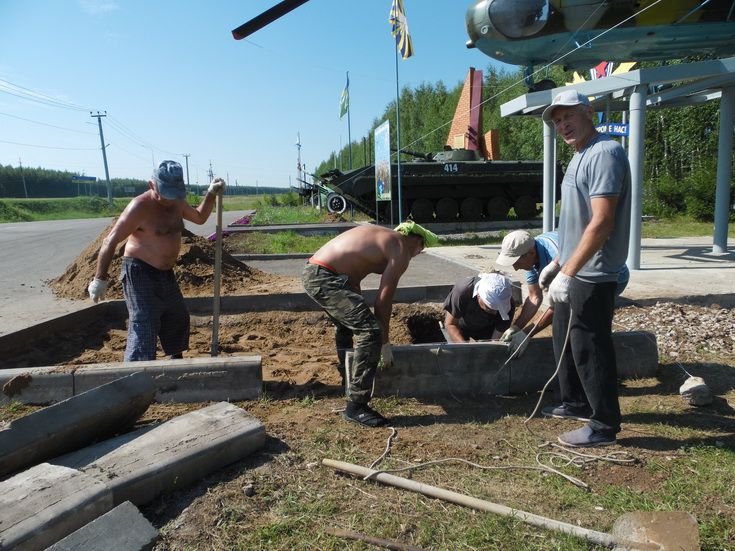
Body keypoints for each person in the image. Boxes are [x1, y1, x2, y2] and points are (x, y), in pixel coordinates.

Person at [539, 89, 632, 448]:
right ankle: (575, 401)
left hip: (594, 271)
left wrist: (569, 271)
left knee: (590, 345)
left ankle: (604, 425)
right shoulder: (579, 155)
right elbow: (575, 223)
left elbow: (601, 222)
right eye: (558, 119)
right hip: (575, 266)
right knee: (565, 337)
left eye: (569, 116)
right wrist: (559, 263)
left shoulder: (605, 153)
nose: (563, 124)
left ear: (588, 112)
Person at [302, 220, 438, 428]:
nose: (418, 253)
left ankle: (347, 379)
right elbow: (383, 301)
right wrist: (384, 343)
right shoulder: (401, 247)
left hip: (319, 272)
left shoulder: (380, 237)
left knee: (348, 325)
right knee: (370, 331)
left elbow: (353, 272)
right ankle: (356, 405)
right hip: (325, 277)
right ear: (417, 241)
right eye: (421, 249)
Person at [87, 160, 224, 361]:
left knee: (177, 317)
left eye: (173, 194)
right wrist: (100, 278)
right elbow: (111, 240)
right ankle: (137, 371)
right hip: (139, 272)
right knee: (146, 321)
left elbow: (199, 217)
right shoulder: (140, 207)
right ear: (152, 185)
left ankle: (175, 362)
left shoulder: (177, 201)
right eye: (165, 193)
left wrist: (210, 193)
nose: (168, 200)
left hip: (165, 273)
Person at [495, 229, 629, 357]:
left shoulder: (556, 256)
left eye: (516, 262)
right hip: (587, 272)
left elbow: (561, 303)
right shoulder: (529, 251)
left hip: (612, 276)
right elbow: (534, 297)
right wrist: (516, 327)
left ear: (531, 253)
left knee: (584, 322)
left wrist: (526, 333)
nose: (515, 267)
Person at [442, 272, 515, 343]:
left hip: (488, 330)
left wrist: (489, 349)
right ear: (478, 295)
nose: (495, 313)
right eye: (489, 308)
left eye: (499, 310)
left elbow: (496, 337)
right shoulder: (462, 292)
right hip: (461, 326)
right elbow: (451, 324)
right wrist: (464, 348)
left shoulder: (506, 301)